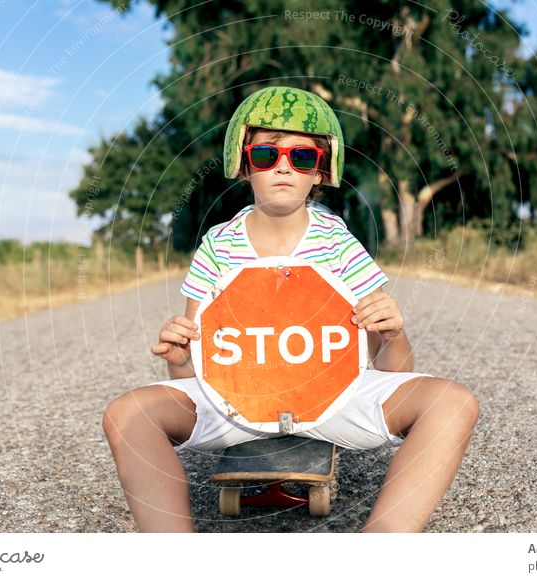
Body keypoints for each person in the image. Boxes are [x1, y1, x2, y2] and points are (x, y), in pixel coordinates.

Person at [102, 86, 479, 533]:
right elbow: (200, 375)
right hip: (236, 407)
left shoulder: (338, 243)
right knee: (126, 414)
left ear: (320, 171)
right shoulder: (217, 246)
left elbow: (393, 369)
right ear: (244, 165)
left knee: (454, 403)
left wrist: (394, 334)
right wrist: (180, 359)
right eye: (266, 155)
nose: (284, 167)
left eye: (302, 157)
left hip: (334, 401)